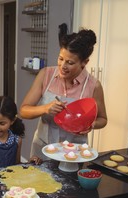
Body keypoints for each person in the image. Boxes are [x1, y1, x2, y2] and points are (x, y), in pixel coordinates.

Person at [20, 23, 107, 157]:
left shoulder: (93, 86)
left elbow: (103, 119)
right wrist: (45, 108)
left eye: (70, 63)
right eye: (61, 59)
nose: (62, 66)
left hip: (75, 152)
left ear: (84, 62)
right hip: (43, 148)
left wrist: (91, 125)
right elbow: (24, 111)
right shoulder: (46, 75)